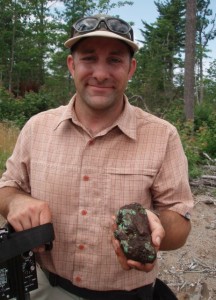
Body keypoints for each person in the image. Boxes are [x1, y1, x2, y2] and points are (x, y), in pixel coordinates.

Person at [0, 14, 194, 300]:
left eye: (115, 60)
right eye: (89, 58)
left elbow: (181, 221)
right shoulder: (36, 128)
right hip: (44, 289)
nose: (101, 73)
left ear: (131, 69)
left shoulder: (162, 136)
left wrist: (156, 225)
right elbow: (7, 187)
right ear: (71, 65)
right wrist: (16, 200)